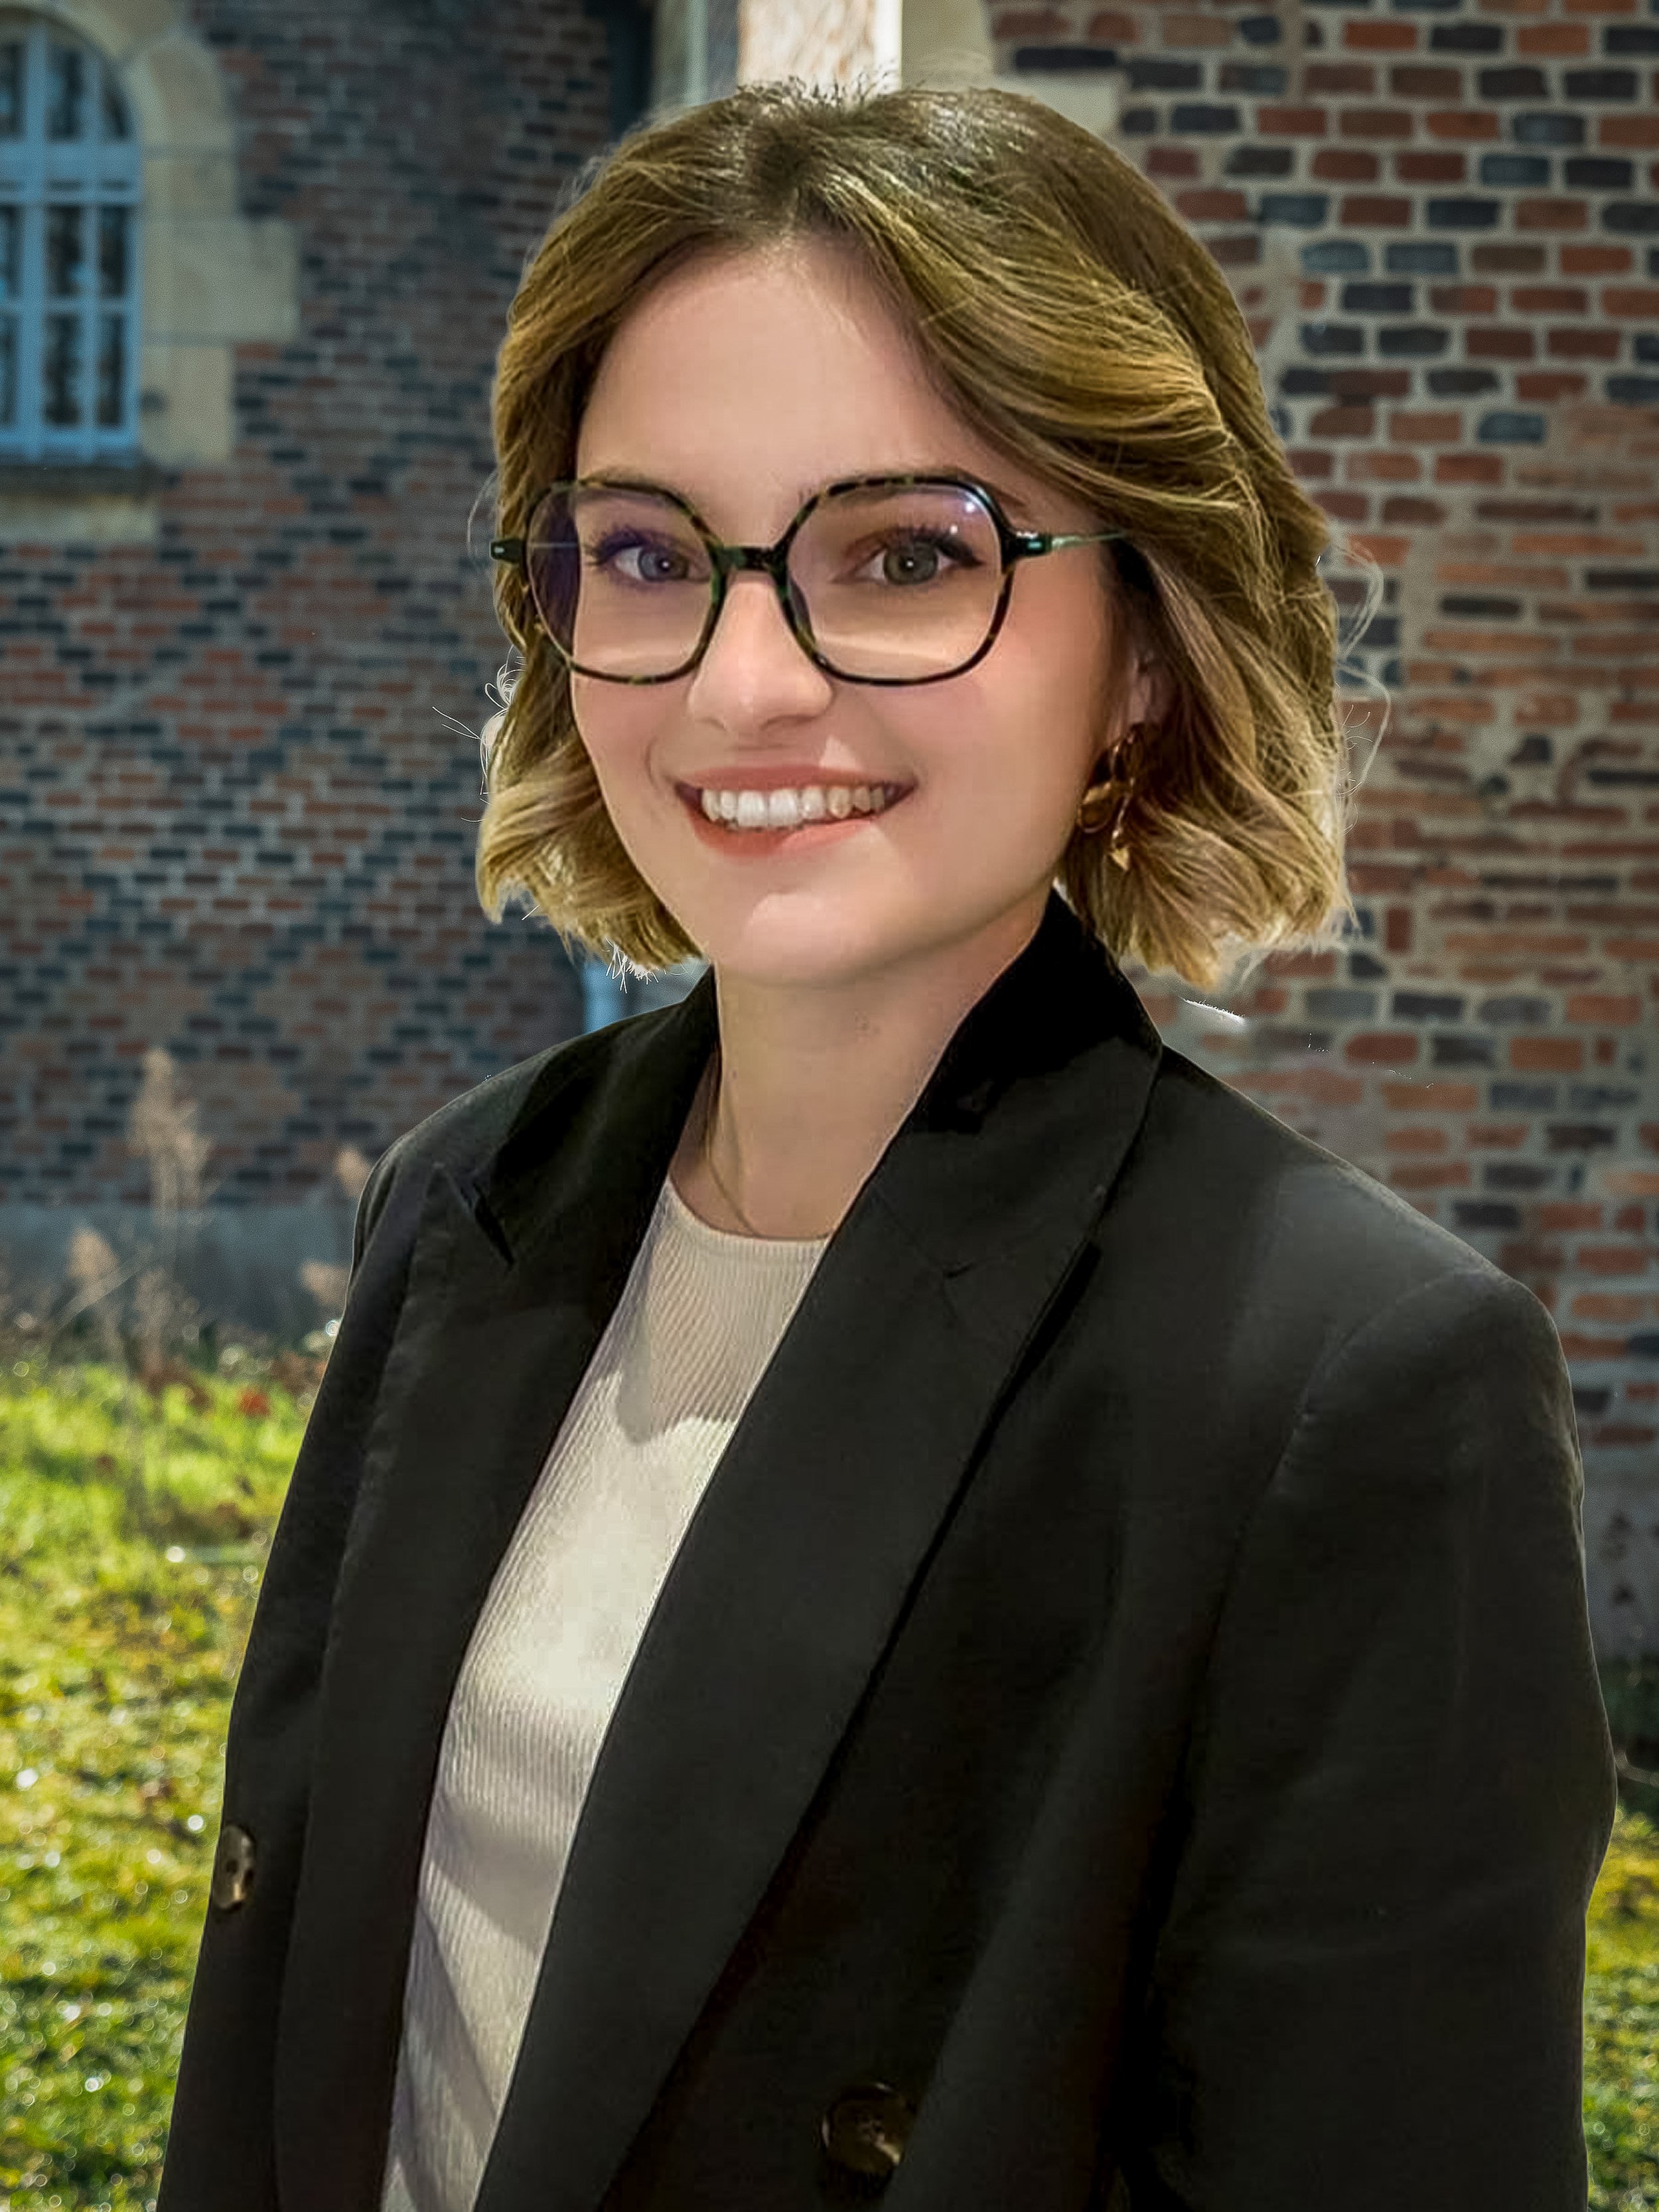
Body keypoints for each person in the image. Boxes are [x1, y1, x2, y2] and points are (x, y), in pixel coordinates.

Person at [156, 79, 1616, 2212]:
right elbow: (284, 2048)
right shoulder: (466, 1202)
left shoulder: (1347, 1387)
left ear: (1145, 648)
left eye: (910, 556)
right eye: (648, 555)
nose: (745, 681)